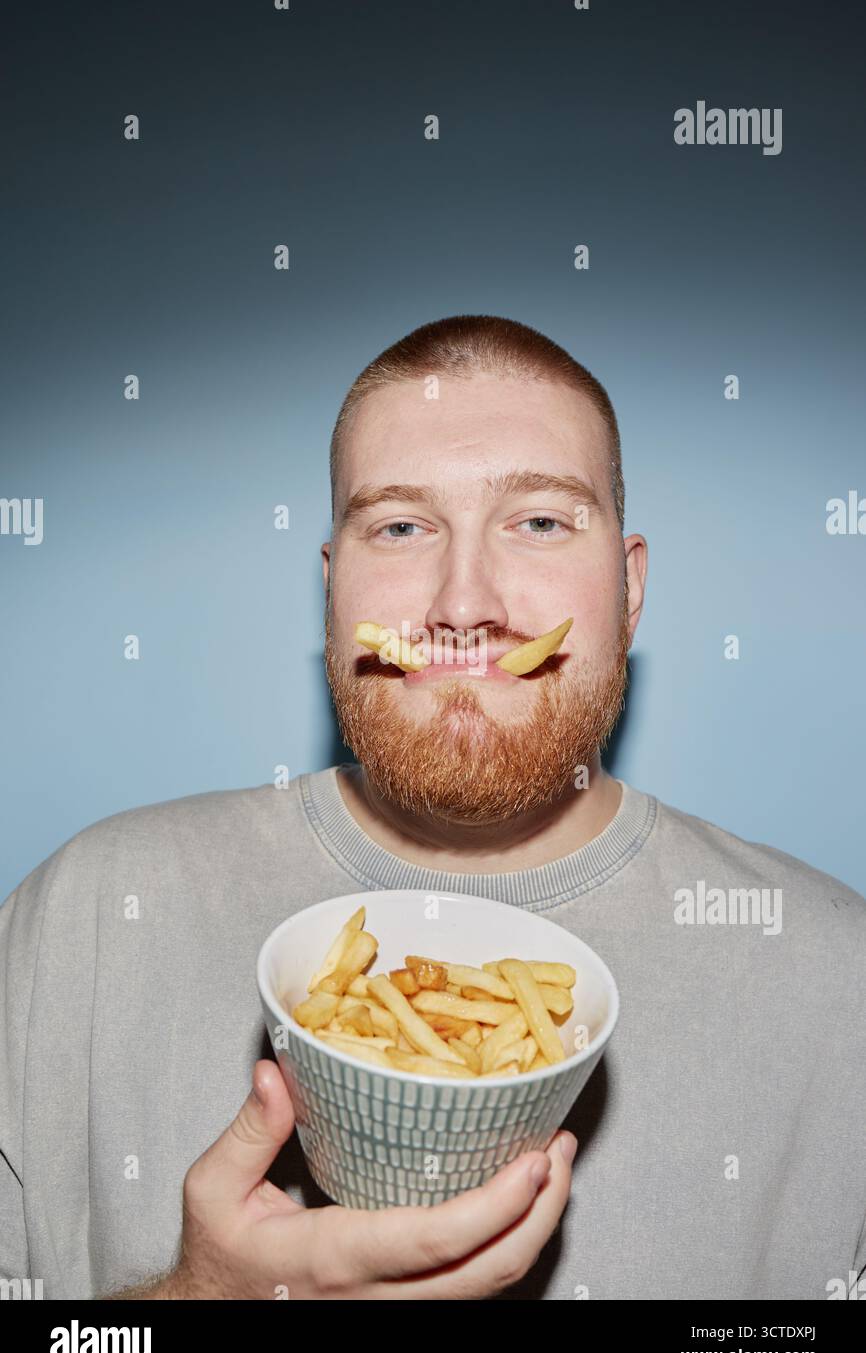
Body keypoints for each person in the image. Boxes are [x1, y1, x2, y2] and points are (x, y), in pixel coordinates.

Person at [1, 315, 864, 1301]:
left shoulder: (841, 980)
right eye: (401, 526)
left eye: (538, 520)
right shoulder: (87, 919)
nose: (462, 605)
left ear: (628, 590)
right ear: (331, 589)